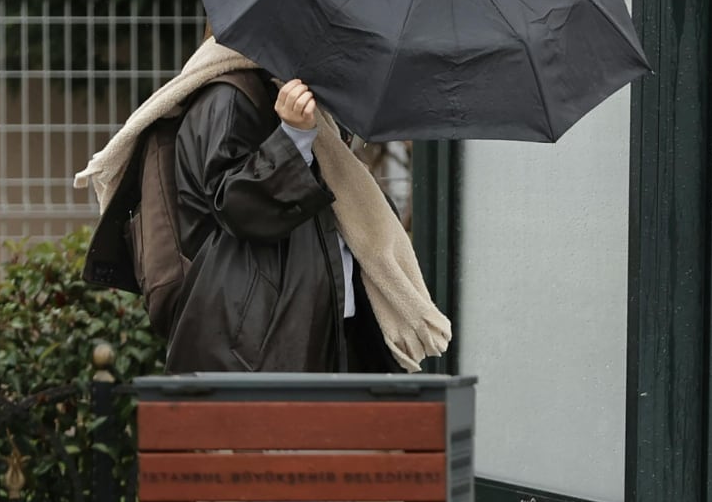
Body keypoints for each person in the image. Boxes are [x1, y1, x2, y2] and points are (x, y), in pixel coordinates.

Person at [75, 32, 451, 375]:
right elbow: (237, 206)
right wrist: (293, 139)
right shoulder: (229, 96)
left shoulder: (286, 95)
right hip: (257, 349)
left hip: (305, 335)